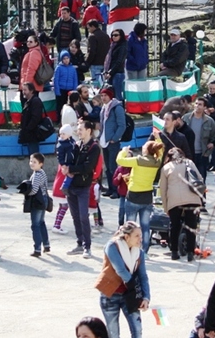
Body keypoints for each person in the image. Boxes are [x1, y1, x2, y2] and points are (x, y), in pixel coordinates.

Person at [94, 221, 150, 338]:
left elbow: (143, 276)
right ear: (127, 237)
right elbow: (120, 270)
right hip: (110, 294)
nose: (141, 239)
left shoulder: (139, 253)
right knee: (113, 333)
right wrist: (135, 290)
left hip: (128, 294)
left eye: (141, 235)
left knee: (137, 330)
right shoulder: (112, 246)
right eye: (137, 236)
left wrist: (146, 297)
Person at [160, 147, 204, 261]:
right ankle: (190, 253)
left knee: (174, 226)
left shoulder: (166, 168)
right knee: (191, 225)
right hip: (192, 198)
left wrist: (166, 207)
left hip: (174, 200)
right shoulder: (189, 163)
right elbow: (200, 179)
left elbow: (163, 189)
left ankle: (174, 252)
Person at [67, 120, 101, 258]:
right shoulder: (76, 145)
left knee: (83, 216)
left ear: (89, 130)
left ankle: (88, 246)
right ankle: (79, 243)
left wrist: (70, 169)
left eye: (81, 129)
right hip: (71, 186)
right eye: (78, 129)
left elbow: (87, 167)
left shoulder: (94, 147)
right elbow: (68, 160)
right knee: (75, 216)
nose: (78, 131)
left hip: (83, 186)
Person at [99, 87, 126, 195]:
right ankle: (111, 189)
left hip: (112, 142)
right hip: (104, 141)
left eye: (105, 95)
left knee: (113, 167)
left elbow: (122, 125)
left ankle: (116, 190)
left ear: (110, 96)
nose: (103, 98)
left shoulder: (116, 108)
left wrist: (115, 138)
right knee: (108, 167)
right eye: (102, 96)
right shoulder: (104, 108)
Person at [183, 97, 215, 179]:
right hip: (188, 154)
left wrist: (211, 146)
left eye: (200, 104)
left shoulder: (209, 121)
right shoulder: (185, 118)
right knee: (188, 179)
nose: (197, 106)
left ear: (204, 107)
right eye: (196, 104)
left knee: (201, 179)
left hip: (202, 154)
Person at [18, 82, 44, 155]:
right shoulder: (28, 101)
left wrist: (28, 129)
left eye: (25, 90)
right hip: (30, 134)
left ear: (31, 91)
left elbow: (35, 118)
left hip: (33, 134)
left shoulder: (35, 101)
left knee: (34, 155)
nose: (23, 92)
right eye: (23, 90)